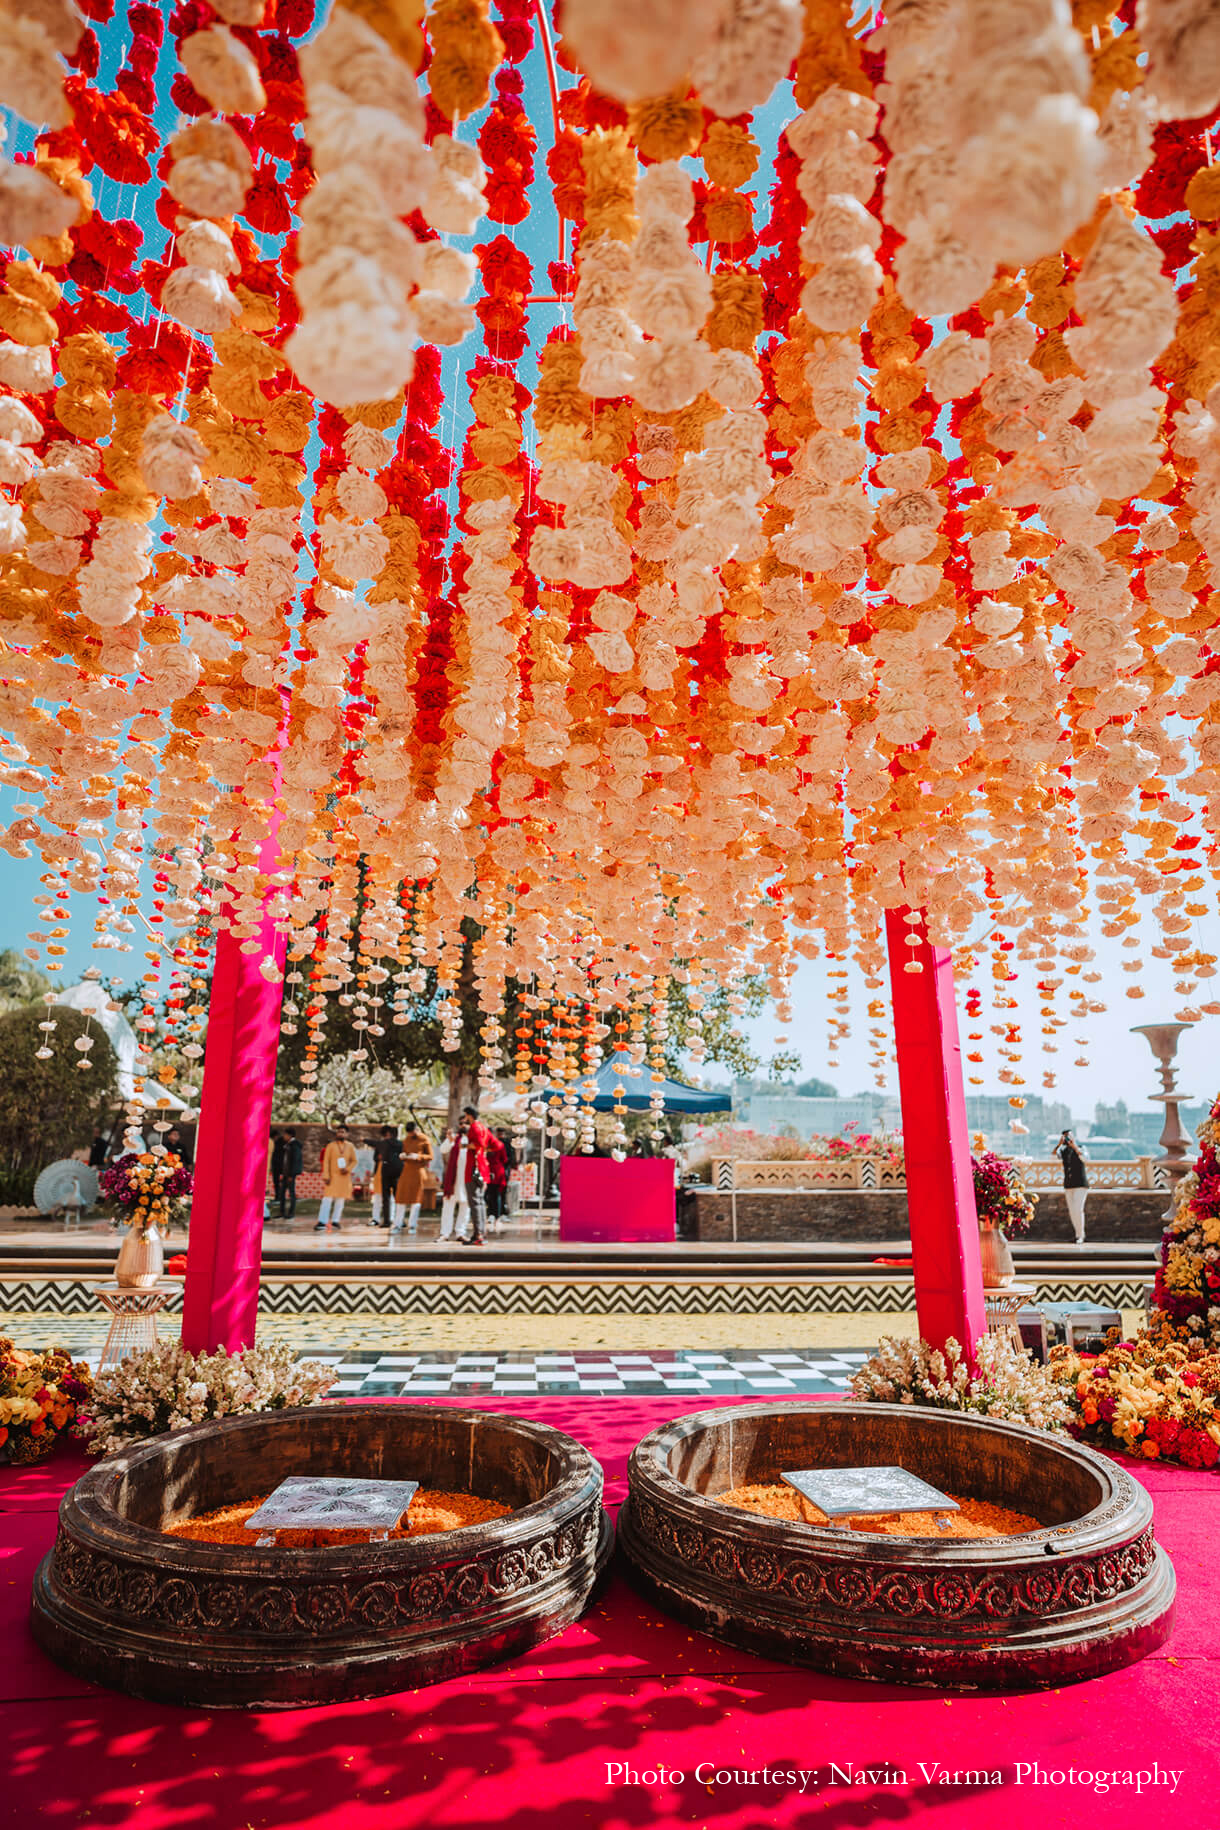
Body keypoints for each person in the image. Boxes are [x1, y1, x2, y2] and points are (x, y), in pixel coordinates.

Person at [440, 1107, 491, 1245]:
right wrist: (450, 1141)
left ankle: (460, 1232)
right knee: (448, 1206)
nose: (463, 1125)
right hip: (453, 1180)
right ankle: (445, 1233)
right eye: (461, 1123)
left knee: (465, 1207)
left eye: (465, 1123)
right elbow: (443, 1150)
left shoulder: (474, 1141)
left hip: (468, 1179)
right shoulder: (455, 1140)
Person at [394, 1121, 432, 1235]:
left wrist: (418, 1156)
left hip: (418, 1172)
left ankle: (412, 1225)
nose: (410, 1135)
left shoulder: (425, 1139)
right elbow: (404, 1152)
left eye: (412, 1132)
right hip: (406, 1171)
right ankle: (397, 1224)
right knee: (401, 1198)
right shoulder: (407, 1139)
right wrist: (403, 1156)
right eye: (409, 1133)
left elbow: (430, 1156)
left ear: (416, 1130)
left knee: (415, 1199)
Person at [318, 1122, 357, 1232]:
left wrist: (348, 1169)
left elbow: (354, 1161)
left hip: (344, 1177)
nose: (340, 1134)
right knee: (327, 1199)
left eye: (343, 1132)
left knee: (340, 1200)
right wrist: (326, 1176)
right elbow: (326, 1162)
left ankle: (335, 1220)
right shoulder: (331, 1146)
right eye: (339, 1132)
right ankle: (322, 1221)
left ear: (347, 1134)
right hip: (332, 1177)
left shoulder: (350, 1146)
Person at [1055, 1129, 1090, 1244]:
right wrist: (1058, 1145)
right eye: (1065, 1137)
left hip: (1080, 1184)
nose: (1067, 1139)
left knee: (1078, 1210)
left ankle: (1081, 1235)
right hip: (1069, 1184)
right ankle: (1077, 1234)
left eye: (1068, 1136)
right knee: (1072, 1211)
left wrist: (1075, 1147)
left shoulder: (1081, 1148)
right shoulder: (1063, 1151)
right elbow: (1052, 1157)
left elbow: (1085, 1159)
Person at [371, 1125, 403, 1229]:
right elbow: (375, 1157)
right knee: (380, 1197)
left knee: (393, 1198)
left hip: (393, 1173)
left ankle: (394, 1219)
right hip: (382, 1172)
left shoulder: (397, 1144)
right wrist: (379, 1157)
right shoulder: (382, 1144)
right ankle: (380, 1219)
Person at [485, 1128, 508, 1233]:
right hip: (497, 1171)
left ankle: (490, 1214)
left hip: (487, 1170)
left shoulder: (484, 1144)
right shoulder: (499, 1144)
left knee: (488, 1194)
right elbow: (504, 1159)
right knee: (497, 1195)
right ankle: (497, 1217)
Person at [270, 1129, 288, 1217]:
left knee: (280, 1183)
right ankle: (278, 1196)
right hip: (276, 1166)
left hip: (280, 1166)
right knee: (276, 1182)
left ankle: (280, 1197)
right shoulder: (277, 1143)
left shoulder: (280, 1143)